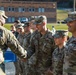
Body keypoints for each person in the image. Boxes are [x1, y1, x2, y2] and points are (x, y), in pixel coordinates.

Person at [0, 10, 27, 75]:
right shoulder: (4, 32)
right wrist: (25, 56)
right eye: (4, 18)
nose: (5, 20)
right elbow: (16, 47)